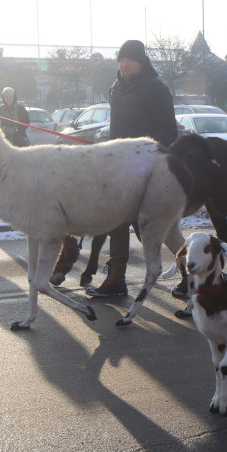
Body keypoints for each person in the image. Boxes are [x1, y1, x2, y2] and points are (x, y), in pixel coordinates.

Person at [86, 39, 178, 297]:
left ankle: (193, 273)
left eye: (130, 60)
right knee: (116, 220)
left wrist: (145, 154)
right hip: (120, 166)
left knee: (150, 226)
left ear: (141, 61)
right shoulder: (117, 88)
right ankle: (116, 279)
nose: (124, 65)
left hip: (146, 167)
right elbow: (117, 129)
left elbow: (168, 130)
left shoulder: (157, 89)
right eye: (121, 60)